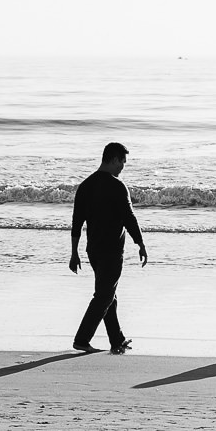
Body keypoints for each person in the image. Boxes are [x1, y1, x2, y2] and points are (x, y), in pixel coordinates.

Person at [69, 142, 147, 354]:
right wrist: (140, 243)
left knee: (108, 292)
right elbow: (129, 218)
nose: (123, 167)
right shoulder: (117, 186)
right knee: (104, 295)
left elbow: (77, 222)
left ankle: (117, 340)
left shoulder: (85, 186)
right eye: (122, 162)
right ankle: (82, 339)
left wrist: (74, 252)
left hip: (93, 250)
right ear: (113, 159)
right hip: (111, 250)